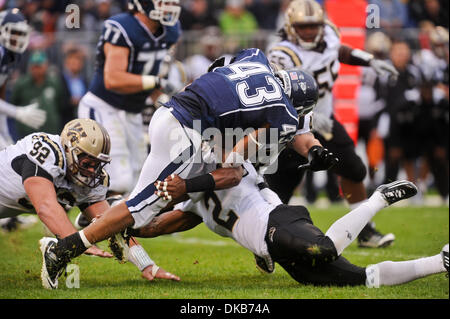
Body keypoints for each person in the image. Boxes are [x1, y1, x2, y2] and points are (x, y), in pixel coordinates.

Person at [38, 47, 340, 289]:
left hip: (174, 112)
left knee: (149, 207)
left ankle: (101, 217)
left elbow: (219, 68)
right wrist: (204, 174)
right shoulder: (284, 114)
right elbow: (234, 167)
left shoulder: (256, 57)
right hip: (186, 133)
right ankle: (62, 251)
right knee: (142, 210)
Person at [116, 161, 448, 287]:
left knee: (324, 248)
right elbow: (156, 225)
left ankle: (378, 198)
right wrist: (121, 224)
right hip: (275, 249)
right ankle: (440, 262)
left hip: (279, 221)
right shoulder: (194, 205)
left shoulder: (227, 159)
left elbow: (231, 172)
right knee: (365, 279)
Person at [265, 0, 399, 248]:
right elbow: (278, 96)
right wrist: (308, 116)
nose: (309, 31)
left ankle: (364, 230)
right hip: (294, 128)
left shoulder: (329, 33)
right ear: (291, 27)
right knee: (280, 190)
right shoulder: (280, 54)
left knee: (354, 170)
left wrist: (369, 60)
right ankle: (266, 241)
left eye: (313, 26)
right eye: (303, 27)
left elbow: (339, 51)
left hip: (326, 123)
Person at [0, 118, 178, 289]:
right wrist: (75, 243)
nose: (92, 171)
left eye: (97, 165)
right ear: (70, 150)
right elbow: (45, 207)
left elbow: (110, 225)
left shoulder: (90, 178)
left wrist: (147, 265)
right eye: (87, 163)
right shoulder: (47, 151)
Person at [77, 0, 182, 198]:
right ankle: (94, 218)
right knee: (119, 178)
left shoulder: (171, 30)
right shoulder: (123, 27)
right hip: (105, 105)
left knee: (138, 177)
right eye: (163, 1)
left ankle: (97, 220)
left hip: (133, 110)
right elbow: (113, 79)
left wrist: (165, 97)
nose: (169, 5)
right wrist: (155, 80)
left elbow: (152, 70)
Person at [0, 8, 46, 150]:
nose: (18, 38)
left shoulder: (12, 54)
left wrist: (5, 134)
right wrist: (17, 112)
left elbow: (1, 95)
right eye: (14, 33)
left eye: (21, 34)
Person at [10, 50, 64, 139]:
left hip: (51, 133)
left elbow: (60, 105)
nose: (36, 70)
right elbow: (13, 105)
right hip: (27, 134)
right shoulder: (21, 84)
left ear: (46, 65)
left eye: (39, 66)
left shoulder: (54, 82)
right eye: (34, 66)